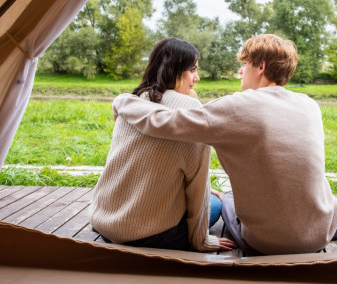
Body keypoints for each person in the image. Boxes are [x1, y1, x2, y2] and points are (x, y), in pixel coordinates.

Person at [113, 34, 337, 255]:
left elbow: (163, 121)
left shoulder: (237, 106)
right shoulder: (309, 105)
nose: (240, 70)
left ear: (261, 67)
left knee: (226, 198)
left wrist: (124, 100)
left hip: (267, 243)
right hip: (320, 232)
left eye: (245, 64)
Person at [89, 38, 235, 252]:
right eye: (192, 70)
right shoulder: (192, 113)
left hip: (106, 225)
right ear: (174, 69)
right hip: (149, 237)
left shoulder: (133, 101)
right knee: (216, 203)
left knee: (208, 193)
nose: (197, 78)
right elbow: (196, 188)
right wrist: (202, 240)